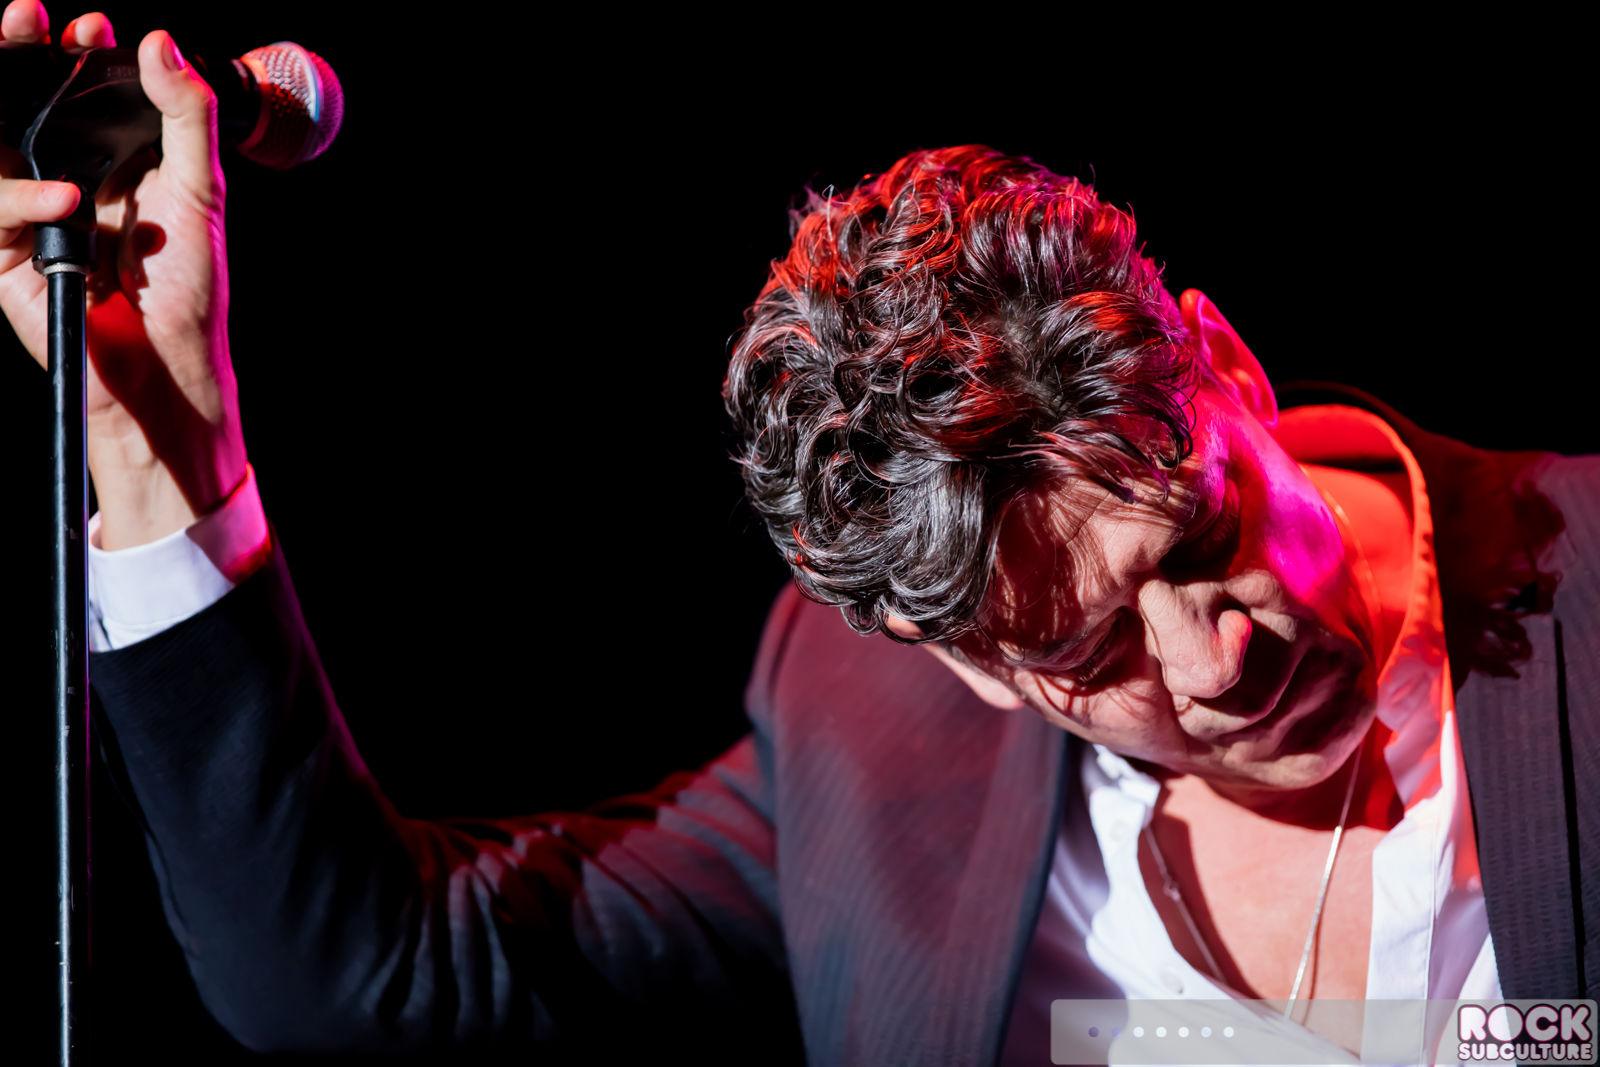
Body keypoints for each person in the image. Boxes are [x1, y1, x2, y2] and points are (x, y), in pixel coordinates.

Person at [2, 4, 1594, 1061]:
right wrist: (161, 445)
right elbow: (357, 983)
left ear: (1229, 368)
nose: (1217, 655)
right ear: (967, 668)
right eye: (1091, 646)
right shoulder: (878, 749)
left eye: (1201, 532)